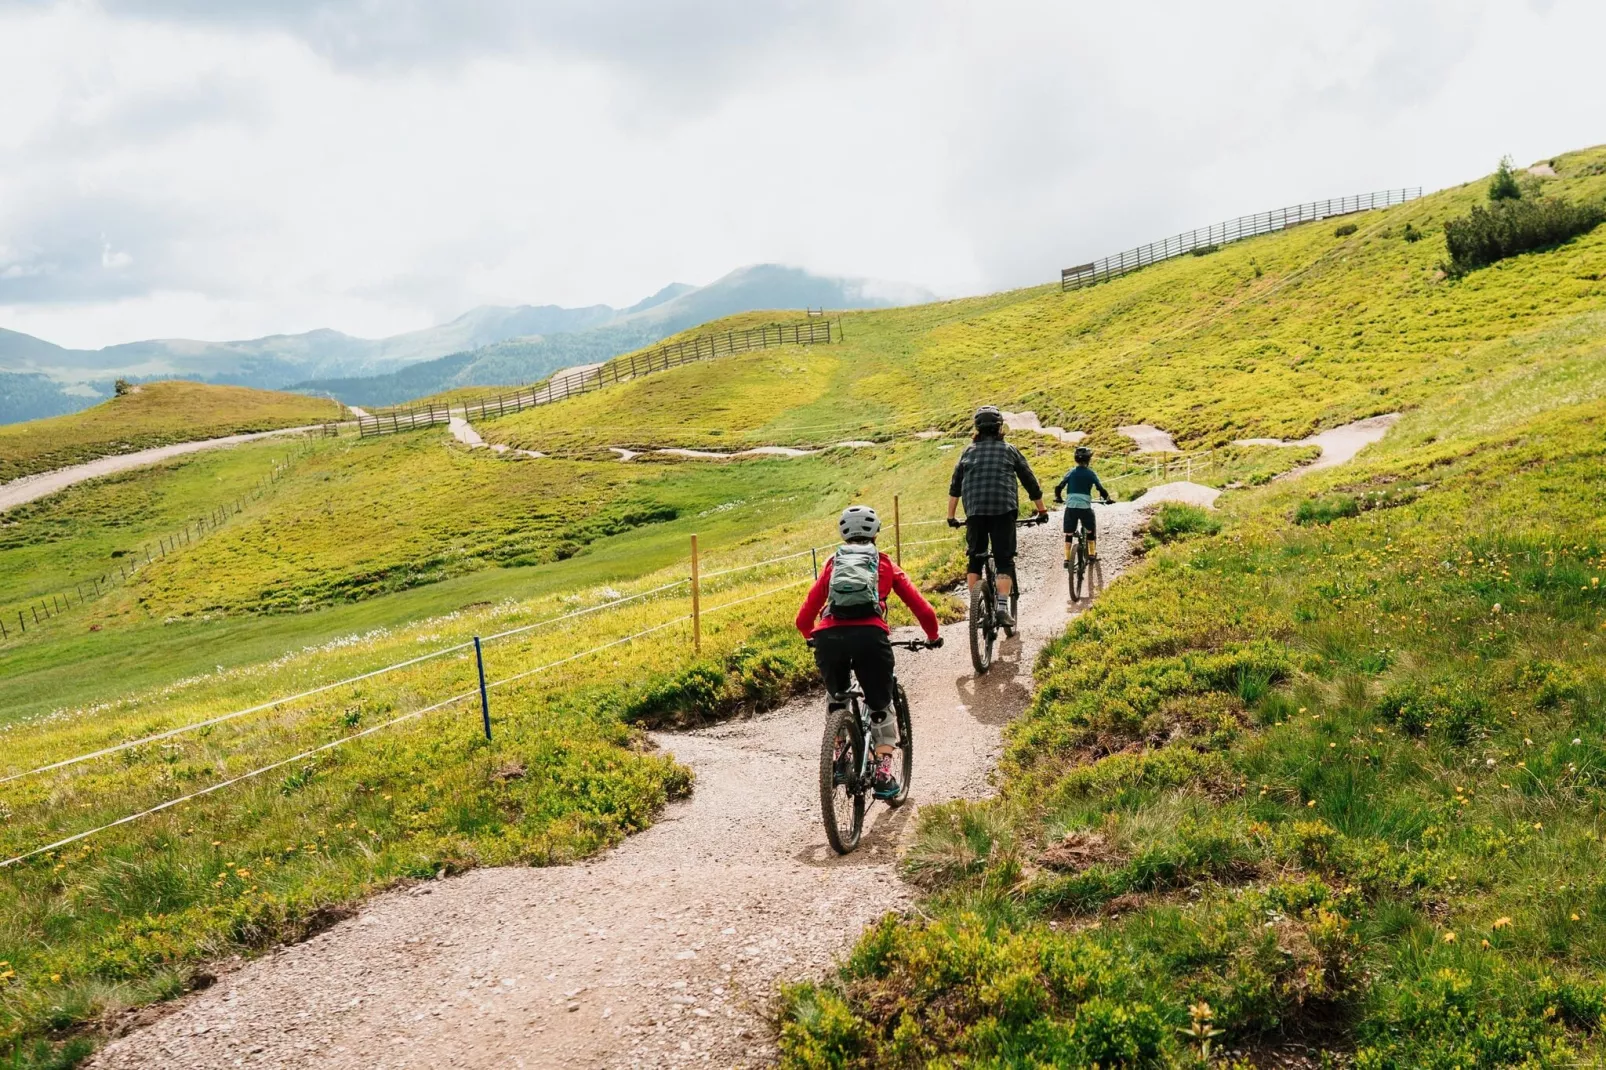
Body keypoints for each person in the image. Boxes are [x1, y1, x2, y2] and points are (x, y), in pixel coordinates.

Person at [796, 505, 942, 798]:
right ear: (876, 533)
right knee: (880, 704)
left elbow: (804, 616)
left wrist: (810, 636)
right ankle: (884, 774)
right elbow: (920, 606)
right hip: (870, 636)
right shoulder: (885, 564)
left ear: (843, 534)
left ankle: (838, 758)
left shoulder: (832, 565)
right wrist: (933, 635)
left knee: (836, 697)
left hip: (829, 637)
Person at [945, 406, 1048, 628]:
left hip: (975, 512)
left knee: (975, 558)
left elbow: (955, 487)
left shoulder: (967, 451)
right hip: (1004, 510)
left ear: (977, 429)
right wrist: (1042, 511)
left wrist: (951, 516)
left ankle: (976, 609)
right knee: (1004, 560)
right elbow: (1030, 482)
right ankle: (1002, 607)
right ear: (1000, 427)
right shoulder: (1009, 450)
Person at [1054, 445, 1113, 560]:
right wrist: (1107, 499)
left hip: (1071, 507)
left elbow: (1059, 486)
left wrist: (1058, 497)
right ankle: (1091, 554)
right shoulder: (1090, 473)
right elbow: (1100, 488)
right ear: (1088, 460)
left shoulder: (1071, 472)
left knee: (1069, 533)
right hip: (1085, 508)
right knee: (1090, 530)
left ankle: (1066, 558)